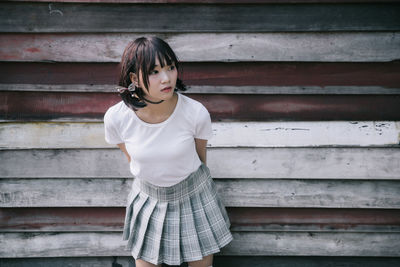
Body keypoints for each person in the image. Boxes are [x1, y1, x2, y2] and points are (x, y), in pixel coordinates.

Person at [104, 37, 233, 267]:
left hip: (194, 195)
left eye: (170, 67)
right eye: (154, 71)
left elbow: (200, 160)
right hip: (149, 199)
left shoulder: (195, 112)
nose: (166, 78)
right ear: (134, 78)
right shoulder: (116, 118)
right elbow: (135, 161)